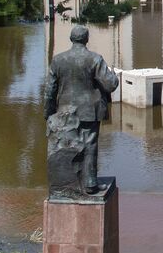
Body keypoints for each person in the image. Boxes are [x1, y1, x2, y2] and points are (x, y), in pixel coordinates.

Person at [44, 25, 119, 194]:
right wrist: (113, 75)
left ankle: (65, 185)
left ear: (71, 39)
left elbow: (49, 90)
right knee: (90, 144)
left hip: (64, 112)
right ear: (86, 39)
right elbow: (111, 84)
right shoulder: (94, 59)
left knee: (67, 145)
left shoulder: (58, 60)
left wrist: (48, 113)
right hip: (89, 110)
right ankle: (90, 183)